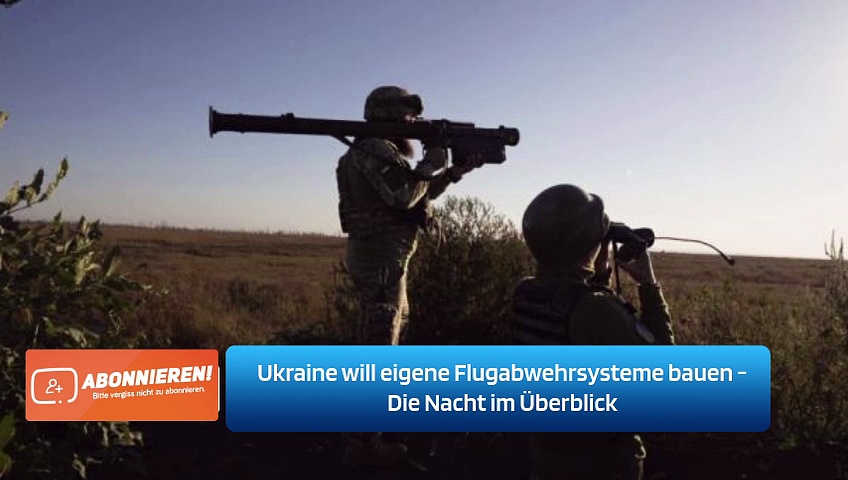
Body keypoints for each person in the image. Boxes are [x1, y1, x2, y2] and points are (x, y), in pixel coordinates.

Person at [336, 85, 482, 470]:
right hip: (380, 262)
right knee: (378, 353)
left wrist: (452, 173)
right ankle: (362, 448)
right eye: (408, 117)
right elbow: (403, 195)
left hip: (387, 260)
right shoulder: (373, 149)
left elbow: (416, 194)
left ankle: (370, 437)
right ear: (388, 116)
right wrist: (434, 159)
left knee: (385, 344)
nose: (414, 123)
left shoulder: (381, 150)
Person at [510, 184, 675, 480]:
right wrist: (648, 284)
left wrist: (597, 271)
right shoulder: (594, 309)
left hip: (548, 457)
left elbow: (575, 323)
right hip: (602, 464)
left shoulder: (525, 293)